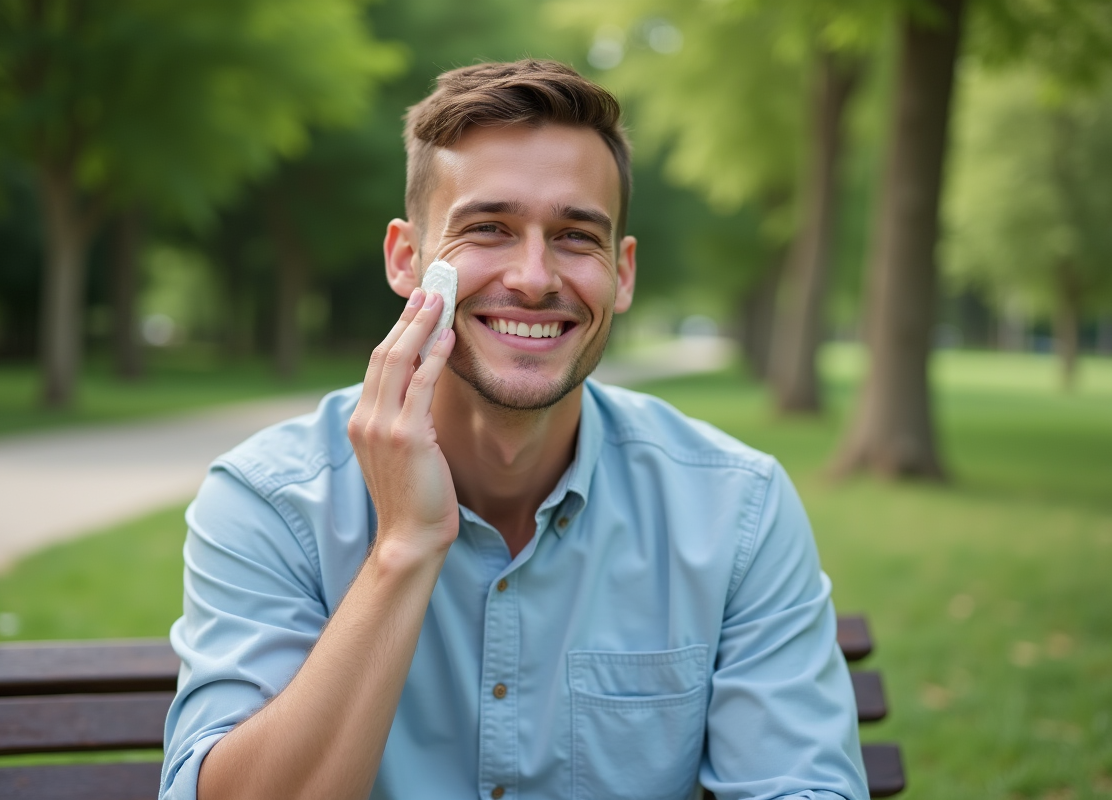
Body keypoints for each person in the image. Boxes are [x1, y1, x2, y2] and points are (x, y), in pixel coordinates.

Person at [160, 59, 867, 800]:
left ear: (623, 273)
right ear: (406, 259)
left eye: (575, 236)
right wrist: (402, 547)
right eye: (488, 229)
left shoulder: (737, 509)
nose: (534, 278)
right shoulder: (271, 500)